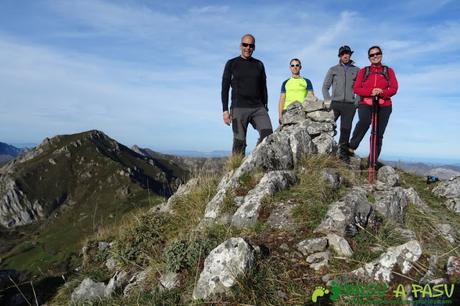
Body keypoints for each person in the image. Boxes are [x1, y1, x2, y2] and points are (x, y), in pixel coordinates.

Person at [221, 34, 273, 155]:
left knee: (268, 135)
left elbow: (263, 87)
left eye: (251, 45)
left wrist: (265, 105)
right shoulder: (231, 63)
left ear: (254, 47)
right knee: (239, 142)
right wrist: (225, 110)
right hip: (238, 108)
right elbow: (224, 88)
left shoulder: (259, 64)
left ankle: (257, 160)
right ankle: (237, 171)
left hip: (258, 108)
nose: (248, 48)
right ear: (240, 46)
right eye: (245, 44)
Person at [347, 45, 398, 161]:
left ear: (381, 55)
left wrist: (382, 92)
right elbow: (357, 88)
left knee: (378, 133)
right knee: (364, 122)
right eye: (372, 55)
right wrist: (371, 92)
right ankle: (352, 146)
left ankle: (372, 160)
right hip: (366, 103)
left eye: (377, 53)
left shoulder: (388, 71)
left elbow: (394, 88)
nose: (375, 56)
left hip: (384, 105)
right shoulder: (364, 71)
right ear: (369, 58)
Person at [322, 45, 360, 162]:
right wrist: (328, 101)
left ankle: (342, 154)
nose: (346, 55)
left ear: (350, 55)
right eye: (343, 53)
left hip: (350, 105)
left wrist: (356, 102)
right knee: (328, 127)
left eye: (347, 53)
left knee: (346, 129)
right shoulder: (333, 69)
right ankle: (324, 151)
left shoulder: (357, 70)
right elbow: (325, 87)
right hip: (335, 104)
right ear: (339, 56)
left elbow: (359, 88)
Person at [278, 58, 314, 124]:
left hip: (302, 111)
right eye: (292, 65)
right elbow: (282, 100)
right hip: (287, 112)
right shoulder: (285, 82)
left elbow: (311, 98)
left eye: (297, 65)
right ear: (290, 68)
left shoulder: (307, 81)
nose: (295, 67)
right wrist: (280, 116)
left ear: (300, 67)